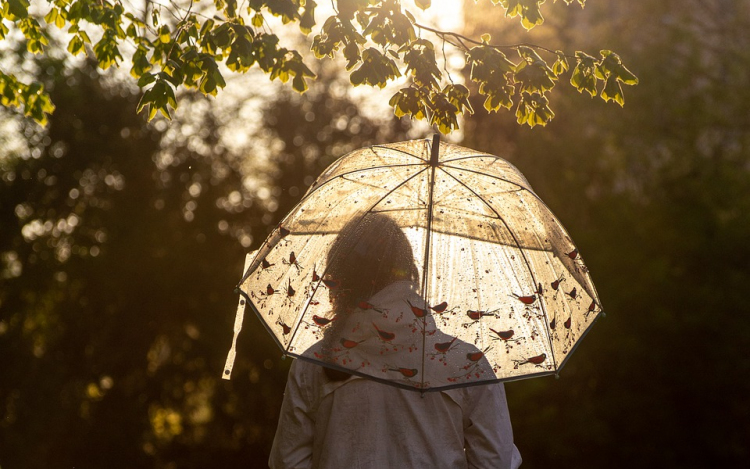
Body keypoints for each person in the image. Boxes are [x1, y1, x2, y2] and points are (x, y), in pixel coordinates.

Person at [269, 214, 522, 468]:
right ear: (408, 272)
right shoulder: (466, 364)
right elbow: (495, 462)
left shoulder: (313, 365)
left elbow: (287, 462)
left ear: (339, 279)